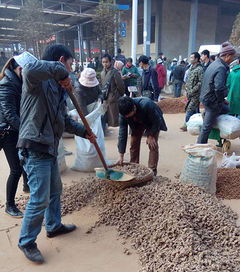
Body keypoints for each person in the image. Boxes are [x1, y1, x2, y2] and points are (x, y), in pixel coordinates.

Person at [17, 45, 96, 264]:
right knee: (39, 198)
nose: (70, 71)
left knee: (55, 191)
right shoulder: (37, 82)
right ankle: (26, 242)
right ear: (61, 60)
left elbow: (64, 120)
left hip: (49, 147)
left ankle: (53, 226)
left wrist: (84, 131)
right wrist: (62, 72)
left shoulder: (58, 91)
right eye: (70, 65)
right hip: (35, 146)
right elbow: (30, 68)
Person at [0, 57, 29, 218]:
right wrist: (26, 130)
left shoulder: (17, 81)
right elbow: (10, 114)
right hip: (6, 132)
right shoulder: (7, 85)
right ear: (19, 69)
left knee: (23, 160)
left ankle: (27, 186)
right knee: (16, 168)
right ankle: (9, 205)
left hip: (12, 130)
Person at [117, 96, 167, 176]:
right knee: (133, 143)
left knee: (152, 144)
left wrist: (151, 135)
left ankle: (152, 171)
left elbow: (157, 121)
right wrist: (121, 154)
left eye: (129, 115)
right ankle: (134, 167)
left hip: (152, 122)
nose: (127, 117)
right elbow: (122, 133)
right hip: (136, 124)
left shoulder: (147, 104)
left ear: (134, 108)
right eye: (127, 116)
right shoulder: (123, 114)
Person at [197, 41, 236, 144]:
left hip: (206, 98)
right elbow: (219, 89)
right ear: (227, 56)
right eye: (232, 57)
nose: (233, 59)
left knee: (226, 109)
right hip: (212, 102)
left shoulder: (215, 63)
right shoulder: (221, 68)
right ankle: (200, 147)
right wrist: (221, 101)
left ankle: (209, 117)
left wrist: (222, 101)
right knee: (206, 127)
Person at [101, 54, 125, 128]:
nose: (105, 64)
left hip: (113, 98)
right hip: (105, 98)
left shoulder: (115, 72)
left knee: (114, 121)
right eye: (103, 62)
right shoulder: (102, 73)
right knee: (107, 119)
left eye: (106, 62)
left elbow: (120, 86)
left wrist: (118, 95)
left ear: (110, 62)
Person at [181, 52, 203, 131]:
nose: (190, 59)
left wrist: (193, 90)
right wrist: (186, 89)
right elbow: (188, 80)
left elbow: (201, 82)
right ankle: (197, 124)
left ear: (196, 59)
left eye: (192, 58)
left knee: (190, 109)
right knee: (195, 110)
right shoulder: (191, 68)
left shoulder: (199, 69)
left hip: (196, 94)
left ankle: (186, 125)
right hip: (189, 93)